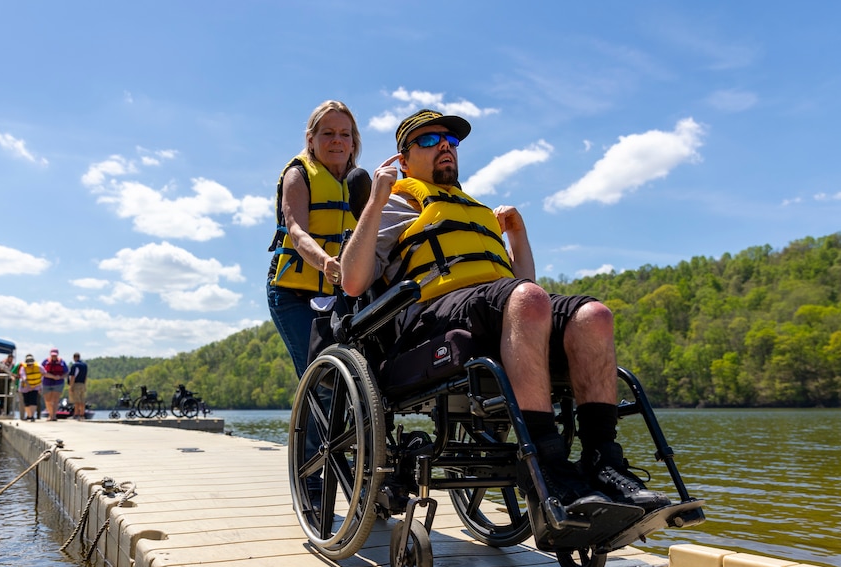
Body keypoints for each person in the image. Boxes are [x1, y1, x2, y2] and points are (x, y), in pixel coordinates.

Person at [341, 109, 670, 514]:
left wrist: (517, 235)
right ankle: (547, 468)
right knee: (526, 300)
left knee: (593, 316)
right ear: (403, 160)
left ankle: (604, 462)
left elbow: (527, 291)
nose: (445, 145)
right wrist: (375, 199)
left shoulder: (475, 209)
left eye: (451, 140)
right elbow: (353, 282)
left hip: (498, 306)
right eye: (429, 140)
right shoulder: (395, 205)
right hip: (435, 315)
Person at [266, 100, 372, 377]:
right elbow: (297, 232)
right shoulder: (298, 174)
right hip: (293, 294)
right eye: (328, 133)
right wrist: (325, 261)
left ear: (353, 142)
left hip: (342, 294)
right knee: (320, 378)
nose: (337, 140)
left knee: (354, 381)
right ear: (311, 140)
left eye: (344, 134)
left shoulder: (360, 182)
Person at [40, 348, 68, 421]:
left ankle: (54, 415)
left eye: (55, 355)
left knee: (55, 400)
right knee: (48, 400)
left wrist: (60, 377)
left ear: (57, 354)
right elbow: (42, 372)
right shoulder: (45, 361)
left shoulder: (62, 362)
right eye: (52, 355)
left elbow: (67, 373)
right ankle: (50, 414)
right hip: (47, 382)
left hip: (58, 383)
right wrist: (53, 376)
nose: (54, 356)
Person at [18, 354, 43, 421]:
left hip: (35, 386)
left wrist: (40, 385)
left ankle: (32, 416)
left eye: (31, 364)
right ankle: (29, 415)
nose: (30, 365)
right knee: (27, 402)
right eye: (29, 364)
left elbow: (44, 373)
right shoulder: (23, 368)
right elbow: (24, 378)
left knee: (33, 400)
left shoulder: (39, 366)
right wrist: (28, 386)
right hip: (25, 387)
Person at [67, 352, 89, 420]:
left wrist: (71, 386)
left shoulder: (75, 365)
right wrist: (85, 385)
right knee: (82, 400)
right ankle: (82, 414)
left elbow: (73, 376)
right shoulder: (85, 365)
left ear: (74, 358)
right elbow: (85, 376)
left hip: (76, 384)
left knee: (76, 400)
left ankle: (76, 414)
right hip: (83, 384)